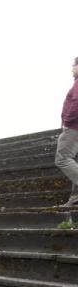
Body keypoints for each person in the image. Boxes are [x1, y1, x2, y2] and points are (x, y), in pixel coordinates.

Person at [55, 57, 78, 206]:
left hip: (74, 127)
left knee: (62, 158)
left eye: (74, 65)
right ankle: (75, 198)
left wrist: (67, 121)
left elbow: (77, 102)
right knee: (73, 161)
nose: (71, 68)